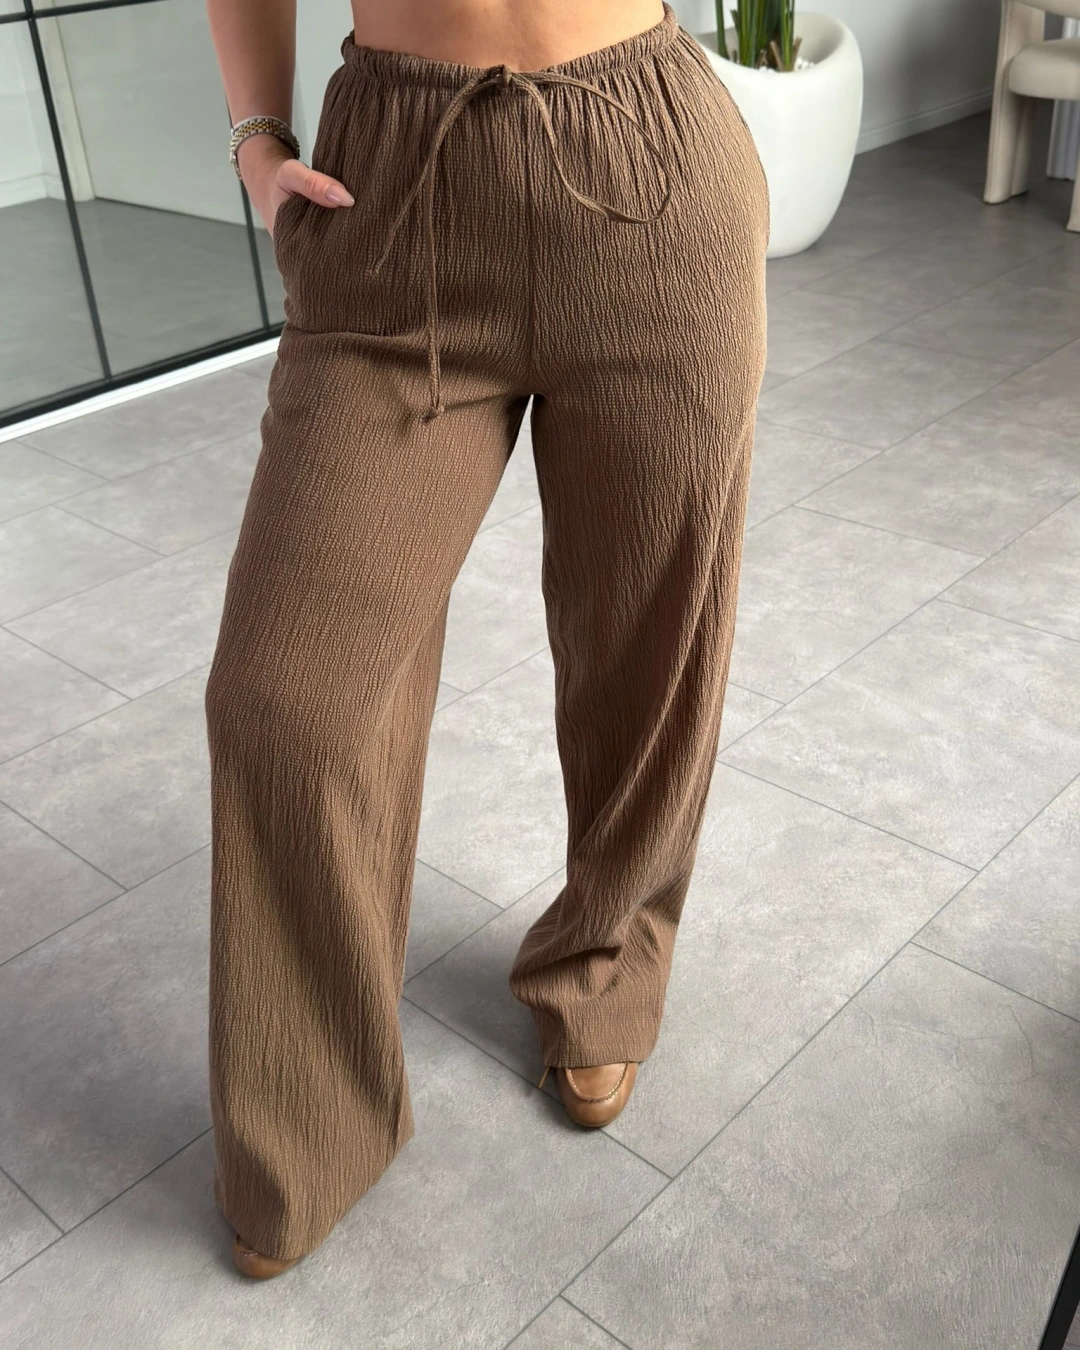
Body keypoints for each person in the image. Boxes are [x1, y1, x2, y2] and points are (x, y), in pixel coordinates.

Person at [203, 0, 769, 1280]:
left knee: (648, 645)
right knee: (284, 701)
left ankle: (604, 965)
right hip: (391, 193)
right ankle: (310, 1111)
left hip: (647, 174)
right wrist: (257, 138)